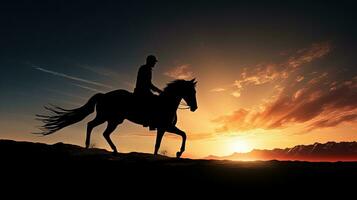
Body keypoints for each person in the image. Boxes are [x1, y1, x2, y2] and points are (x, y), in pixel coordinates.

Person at [134, 55, 163, 130]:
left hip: (144, 90)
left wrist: (157, 90)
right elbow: (148, 83)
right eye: (154, 62)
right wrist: (159, 91)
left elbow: (148, 83)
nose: (154, 64)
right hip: (142, 91)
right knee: (154, 103)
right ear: (150, 61)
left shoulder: (147, 68)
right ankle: (150, 122)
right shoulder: (145, 69)